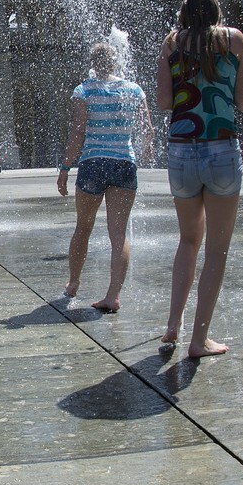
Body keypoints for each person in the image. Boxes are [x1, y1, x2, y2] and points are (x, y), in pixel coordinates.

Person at [157, 0, 243, 359]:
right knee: (216, 250)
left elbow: (165, 102)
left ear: (184, 13)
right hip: (222, 149)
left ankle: (172, 326)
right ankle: (199, 340)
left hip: (181, 152)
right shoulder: (233, 40)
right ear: (216, 11)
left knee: (187, 241)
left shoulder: (170, 43)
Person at [57, 42, 152, 313]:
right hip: (124, 163)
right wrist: (142, 154)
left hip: (93, 163)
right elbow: (148, 130)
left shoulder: (84, 90)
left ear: (93, 62)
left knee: (83, 228)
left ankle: (73, 283)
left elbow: (78, 131)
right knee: (118, 233)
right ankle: (112, 296)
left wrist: (65, 168)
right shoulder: (134, 90)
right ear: (115, 61)